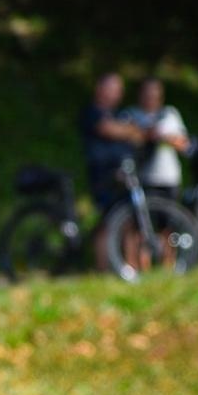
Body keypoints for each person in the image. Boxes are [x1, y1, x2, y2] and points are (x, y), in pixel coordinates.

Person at [79, 74, 146, 270]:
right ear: (99, 89)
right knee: (107, 222)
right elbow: (108, 129)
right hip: (103, 176)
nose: (117, 94)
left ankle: (131, 267)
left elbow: (139, 136)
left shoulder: (119, 114)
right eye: (112, 88)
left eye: (119, 90)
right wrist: (128, 130)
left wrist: (127, 130)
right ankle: (103, 269)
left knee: (129, 220)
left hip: (124, 175)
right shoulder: (92, 112)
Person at [126, 78, 189, 201]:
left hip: (169, 179)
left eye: (154, 94)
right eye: (147, 93)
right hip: (142, 178)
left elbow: (185, 145)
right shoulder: (131, 114)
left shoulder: (170, 113)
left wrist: (164, 137)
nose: (150, 97)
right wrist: (147, 134)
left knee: (169, 212)